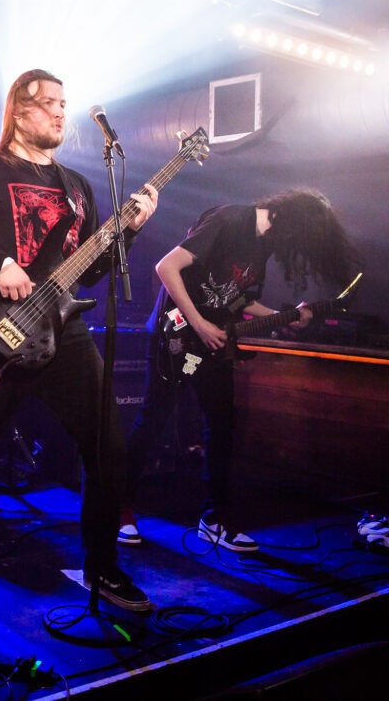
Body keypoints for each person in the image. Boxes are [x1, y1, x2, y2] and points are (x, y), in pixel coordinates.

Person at [0, 69, 159, 613]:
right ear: (19, 111)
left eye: (66, 104)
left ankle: (104, 569)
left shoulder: (79, 185)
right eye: (49, 104)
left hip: (63, 335)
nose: (62, 113)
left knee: (107, 450)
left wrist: (130, 228)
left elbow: (86, 272)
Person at [119, 189, 360, 552]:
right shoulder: (230, 219)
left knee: (222, 422)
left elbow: (238, 298)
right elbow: (166, 267)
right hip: (176, 332)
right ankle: (118, 507)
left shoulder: (262, 244)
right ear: (293, 223)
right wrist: (198, 323)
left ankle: (215, 518)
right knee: (153, 419)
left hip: (211, 341)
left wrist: (290, 315)